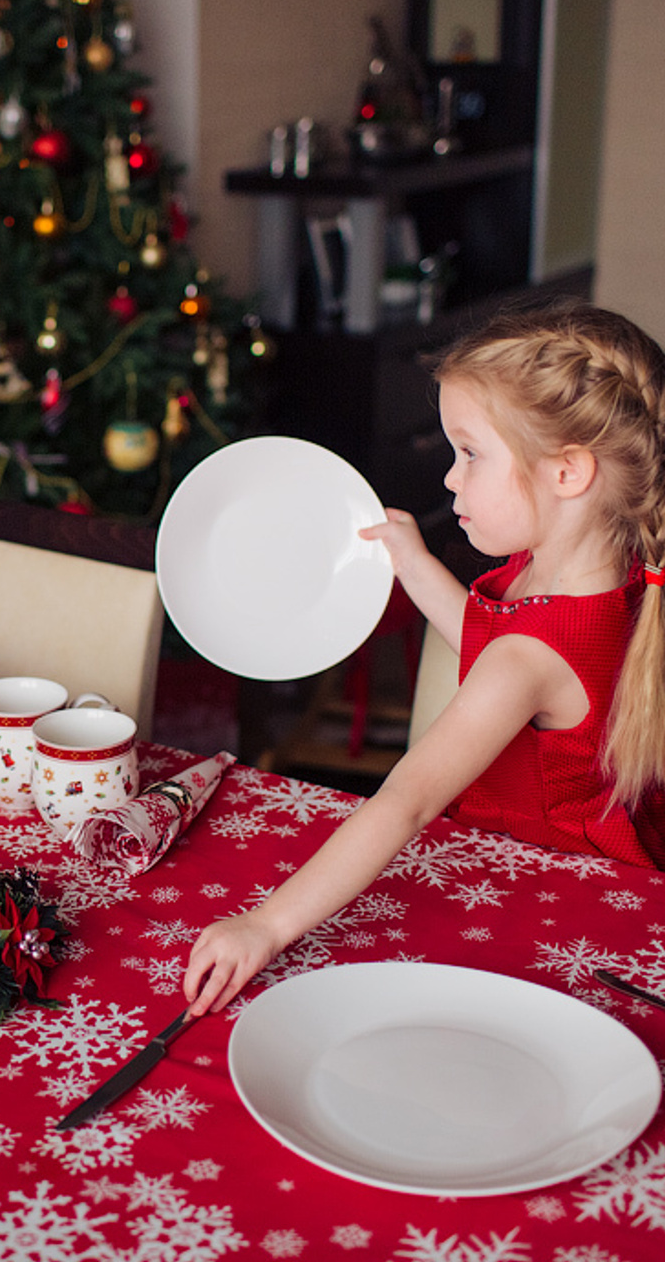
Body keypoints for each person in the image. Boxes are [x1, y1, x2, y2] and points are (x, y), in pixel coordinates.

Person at [184, 301, 665, 1016]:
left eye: (470, 453)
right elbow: (490, 638)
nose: (449, 479)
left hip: (542, 909)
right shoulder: (609, 577)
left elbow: (406, 803)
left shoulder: (531, 655)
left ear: (568, 472)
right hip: (583, 888)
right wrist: (415, 565)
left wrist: (266, 925)